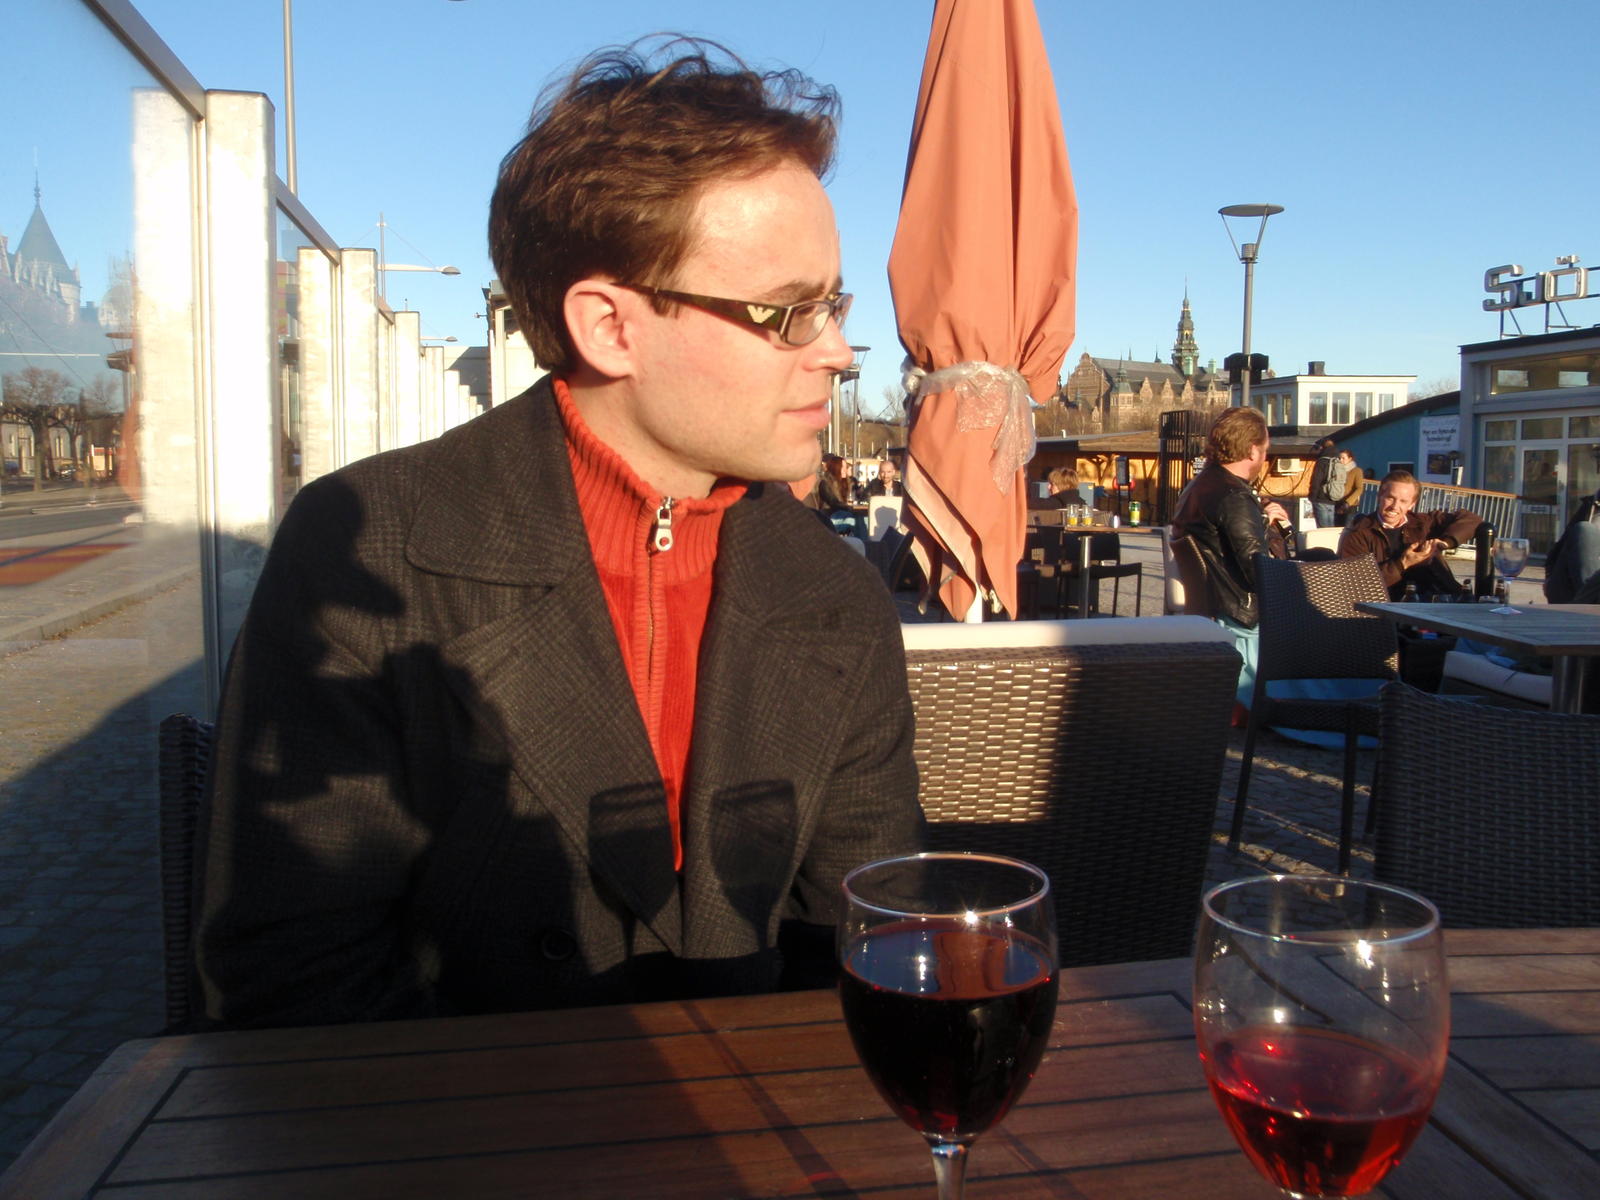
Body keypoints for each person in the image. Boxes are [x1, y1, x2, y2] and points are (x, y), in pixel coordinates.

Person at [194, 38, 924, 1030]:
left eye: (832, 304)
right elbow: (295, 984)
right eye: (788, 312)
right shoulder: (372, 553)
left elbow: (867, 932)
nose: (837, 352)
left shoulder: (832, 591)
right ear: (610, 326)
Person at [1171, 406, 1290, 705]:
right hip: (1242, 620)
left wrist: (1261, 521)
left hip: (1215, 609)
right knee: (1328, 627)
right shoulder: (1234, 496)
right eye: (1265, 450)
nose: (1265, 458)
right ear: (1252, 450)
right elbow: (1258, 571)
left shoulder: (1199, 486)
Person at [1338, 470, 1480, 599]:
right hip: (1391, 607)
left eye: (1403, 501)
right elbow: (1356, 585)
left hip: (1440, 598)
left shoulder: (1423, 522)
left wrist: (1445, 542)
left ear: (1412, 504)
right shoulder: (1358, 533)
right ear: (1379, 496)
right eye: (1390, 498)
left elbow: (1472, 519)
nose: (1394, 506)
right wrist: (1402, 563)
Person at [1545, 487, 1600, 603]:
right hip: (1574, 592)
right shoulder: (1591, 507)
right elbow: (1558, 551)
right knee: (1585, 530)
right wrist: (1549, 577)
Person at [1307, 438, 1343, 528]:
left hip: (1320, 498)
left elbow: (1316, 480)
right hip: (1332, 498)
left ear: (1322, 447)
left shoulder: (1322, 462)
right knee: (1330, 529)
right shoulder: (1337, 461)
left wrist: (1312, 496)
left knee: (1322, 529)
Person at [1334, 449, 1364, 526]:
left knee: (1347, 528)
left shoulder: (1356, 471)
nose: (1340, 460)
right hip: (1337, 503)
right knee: (1335, 528)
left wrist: (1348, 502)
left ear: (1350, 459)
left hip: (1350, 505)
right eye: (1339, 458)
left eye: (1343, 458)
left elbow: (1359, 488)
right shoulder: (1336, 470)